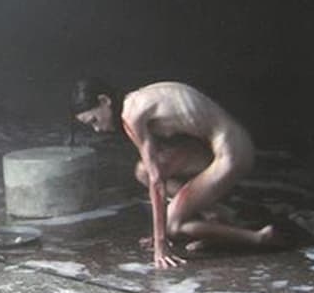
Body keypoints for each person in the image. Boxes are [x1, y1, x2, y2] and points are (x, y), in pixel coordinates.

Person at [71, 76, 285, 269]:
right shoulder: (135, 100)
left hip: (232, 152)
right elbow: (155, 168)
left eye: (94, 120)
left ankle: (258, 237)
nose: (97, 129)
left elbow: (157, 182)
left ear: (104, 101)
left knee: (173, 225)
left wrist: (161, 244)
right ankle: (214, 217)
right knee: (142, 170)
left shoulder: (131, 116)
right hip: (214, 146)